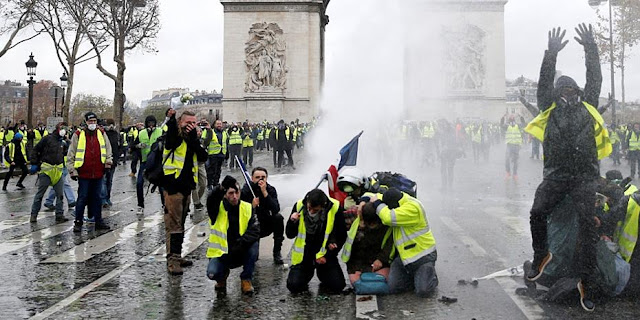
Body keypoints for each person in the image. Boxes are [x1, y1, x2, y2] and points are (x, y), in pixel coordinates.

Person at [524, 24, 609, 312]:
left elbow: (595, 77)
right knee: (537, 213)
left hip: (585, 178)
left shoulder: (590, 106)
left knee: (588, 231)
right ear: (557, 92)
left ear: (580, 92)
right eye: (565, 88)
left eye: (573, 89)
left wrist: (590, 48)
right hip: (557, 176)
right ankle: (540, 256)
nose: (569, 92)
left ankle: (588, 282)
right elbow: (543, 81)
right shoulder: (549, 108)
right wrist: (551, 54)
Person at [367, 188, 438, 297]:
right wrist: (364, 200)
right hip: (404, 258)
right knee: (393, 288)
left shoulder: (413, 208)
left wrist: (377, 203)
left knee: (423, 291)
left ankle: (430, 276)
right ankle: (416, 277)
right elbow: (374, 196)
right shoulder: (397, 199)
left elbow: (388, 218)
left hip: (423, 256)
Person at [161, 109, 208, 275]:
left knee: (180, 223)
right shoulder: (174, 136)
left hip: (187, 186)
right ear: (181, 122)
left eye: (193, 123)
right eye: (187, 122)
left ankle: (177, 255)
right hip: (173, 185)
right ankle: (172, 260)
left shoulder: (192, 139)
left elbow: (203, 156)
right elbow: (172, 131)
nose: (191, 126)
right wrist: (172, 117)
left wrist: (195, 139)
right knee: (173, 224)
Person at [206, 176, 260, 294]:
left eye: (237, 192)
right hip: (222, 253)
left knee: (254, 246)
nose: (234, 196)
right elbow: (210, 199)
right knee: (212, 273)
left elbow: (255, 231)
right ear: (225, 194)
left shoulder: (247, 207)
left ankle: (246, 279)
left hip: (240, 249)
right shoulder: (216, 209)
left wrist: (240, 245)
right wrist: (220, 188)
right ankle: (221, 277)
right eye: (231, 193)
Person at [286, 189, 346, 294]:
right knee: (294, 286)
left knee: (338, 286)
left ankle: (323, 274)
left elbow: (342, 235)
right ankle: (306, 274)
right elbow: (289, 235)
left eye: (315, 210)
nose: (311, 211)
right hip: (304, 256)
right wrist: (292, 222)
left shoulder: (335, 207)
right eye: (309, 208)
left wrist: (329, 254)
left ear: (323, 206)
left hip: (324, 255)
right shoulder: (299, 205)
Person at [67, 112, 113, 232]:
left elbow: (108, 149)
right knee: (82, 197)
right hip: (84, 172)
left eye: (94, 121)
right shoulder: (78, 134)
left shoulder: (101, 133)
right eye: (90, 121)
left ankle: (98, 221)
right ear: (86, 122)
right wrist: (72, 170)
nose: (92, 123)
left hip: (98, 171)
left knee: (97, 198)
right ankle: (78, 221)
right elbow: (71, 152)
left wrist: (108, 163)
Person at [342, 202, 393, 286]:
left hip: (378, 259)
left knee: (383, 282)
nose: (372, 225)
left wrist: (381, 259)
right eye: (369, 224)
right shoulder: (353, 216)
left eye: (374, 224)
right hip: (357, 261)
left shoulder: (387, 220)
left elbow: (390, 244)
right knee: (357, 283)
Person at [240, 167, 284, 264]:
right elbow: (240, 212)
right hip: (252, 225)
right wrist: (252, 206)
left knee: (278, 218)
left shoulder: (270, 189)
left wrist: (265, 193)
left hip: (266, 223)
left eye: (263, 177)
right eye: (257, 177)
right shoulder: (247, 190)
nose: (260, 180)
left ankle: (277, 251)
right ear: (252, 178)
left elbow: (276, 208)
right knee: (253, 257)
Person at [29, 122, 69, 223]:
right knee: (40, 195)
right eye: (62, 128)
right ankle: (34, 215)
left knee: (60, 195)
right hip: (46, 170)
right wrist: (34, 163)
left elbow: (64, 153)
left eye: (65, 128)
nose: (64, 130)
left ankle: (59, 215)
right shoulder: (47, 139)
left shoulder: (63, 141)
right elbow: (35, 149)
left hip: (58, 171)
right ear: (57, 128)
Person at [135, 115, 164, 214]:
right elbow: (133, 145)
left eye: (152, 123)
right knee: (139, 183)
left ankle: (164, 204)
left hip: (157, 162)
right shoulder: (141, 133)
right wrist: (138, 146)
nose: (151, 125)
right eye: (149, 123)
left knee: (161, 184)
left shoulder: (160, 131)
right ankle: (140, 205)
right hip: (145, 161)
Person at [101, 119, 120, 208]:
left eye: (112, 124)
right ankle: (103, 199)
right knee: (104, 181)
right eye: (109, 124)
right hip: (104, 161)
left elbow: (118, 147)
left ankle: (107, 198)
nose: (111, 126)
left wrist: (116, 159)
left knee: (109, 181)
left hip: (113, 161)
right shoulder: (103, 134)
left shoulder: (116, 134)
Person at [206, 119, 228, 189]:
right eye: (217, 124)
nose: (219, 125)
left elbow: (226, 143)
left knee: (218, 170)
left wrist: (227, 154)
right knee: (212, 170)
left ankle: (216, 183)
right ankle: (210, 184)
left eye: (220, 124)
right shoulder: (211, 132)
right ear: (214, 125)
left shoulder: (224, 133)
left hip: (221, 154)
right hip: (213, 154)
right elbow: (206, 142)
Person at [501, 115, 524, 180]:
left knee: (515, 160)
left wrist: (521, 117)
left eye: (513, 117)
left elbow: (524, 124)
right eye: (510, 117)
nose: (511, 117)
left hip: (516, 145)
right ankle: (508, 172)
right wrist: (502, 118)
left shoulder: (517, 125)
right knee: (507, 159)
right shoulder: (507, 126)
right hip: (509, 145)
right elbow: (501, 125)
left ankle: (515, 174)